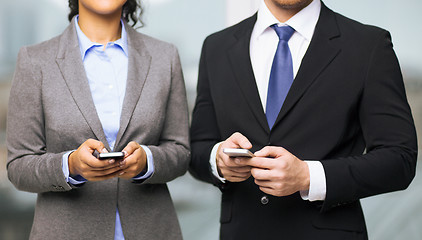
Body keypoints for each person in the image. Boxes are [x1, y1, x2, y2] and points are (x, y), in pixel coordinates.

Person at [189, 0, 418, 239]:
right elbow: (196, 150)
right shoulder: (216, 47)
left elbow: (400, 159)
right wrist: (218, 161)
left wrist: (309, 176)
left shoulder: (368, 45)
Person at [7, 0, 190, 239]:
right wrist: (71, 165)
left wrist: (147, 161)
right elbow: (19, 165)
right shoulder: (35, 60)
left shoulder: (164, 57)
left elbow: (181, 151)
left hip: (152, 229)